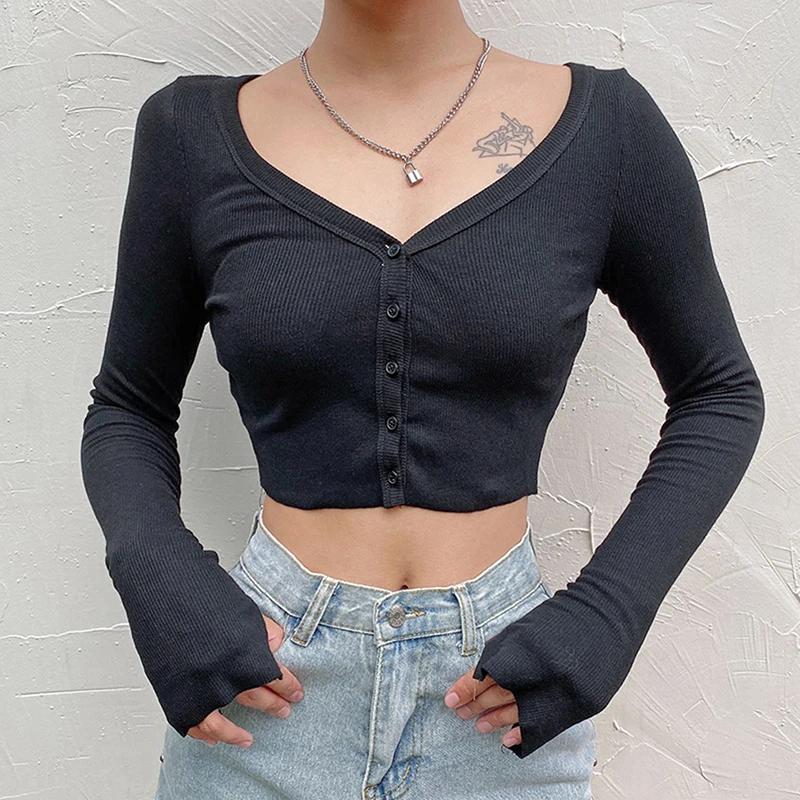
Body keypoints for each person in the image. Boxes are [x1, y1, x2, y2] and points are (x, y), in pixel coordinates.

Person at [79, 1, 766, 798]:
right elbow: (126, 407)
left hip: (499, 701)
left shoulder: (607, 128)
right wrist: (160, 578)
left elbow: (720, 393)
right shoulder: (188, 133)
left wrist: (608, 615)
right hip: (264, 687)